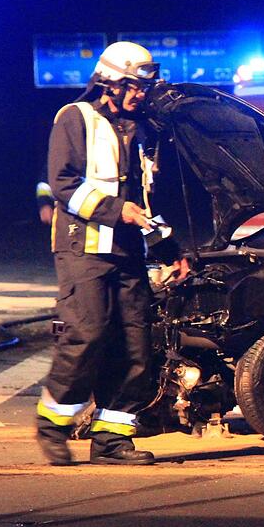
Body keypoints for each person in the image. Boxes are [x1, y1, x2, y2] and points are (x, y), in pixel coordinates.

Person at [35, 41, 184, 466]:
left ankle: (112, 441)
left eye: (144, 88)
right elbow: (63, 184)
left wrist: (170, 248)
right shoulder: (74, 118)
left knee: (136, 347)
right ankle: (52, 425)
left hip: (128, 254)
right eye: (133, 87)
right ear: (109, 83)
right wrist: (117, 211)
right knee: (88, 334)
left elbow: (148, 202)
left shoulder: (142, 132)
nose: (140, 95)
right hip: (84, 249)